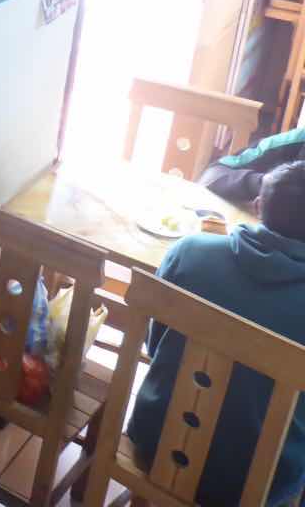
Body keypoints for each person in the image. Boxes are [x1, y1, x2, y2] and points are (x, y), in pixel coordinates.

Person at [127, 160, 305, 506]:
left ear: (258, 207)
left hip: (156, 442)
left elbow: (153, 343)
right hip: (257, 487)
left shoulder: (189, 252)